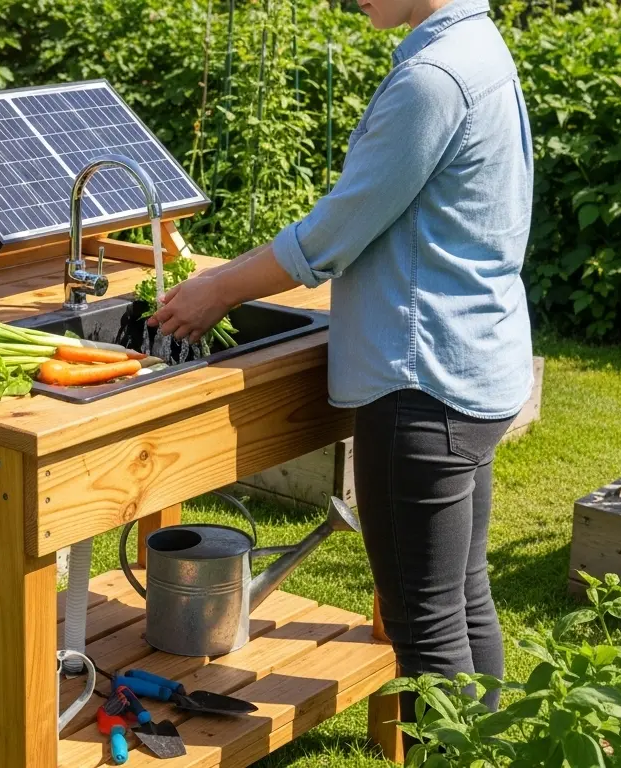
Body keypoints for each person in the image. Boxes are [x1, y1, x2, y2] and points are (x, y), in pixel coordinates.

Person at [149, 0, 534, 726]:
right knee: (463, 596)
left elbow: (334, 233)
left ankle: (455, 750)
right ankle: (492, 749)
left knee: (424, 625)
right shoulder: (480, 47)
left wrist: (217, 289)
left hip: (421, 382)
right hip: (474, 361)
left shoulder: (435, 77)